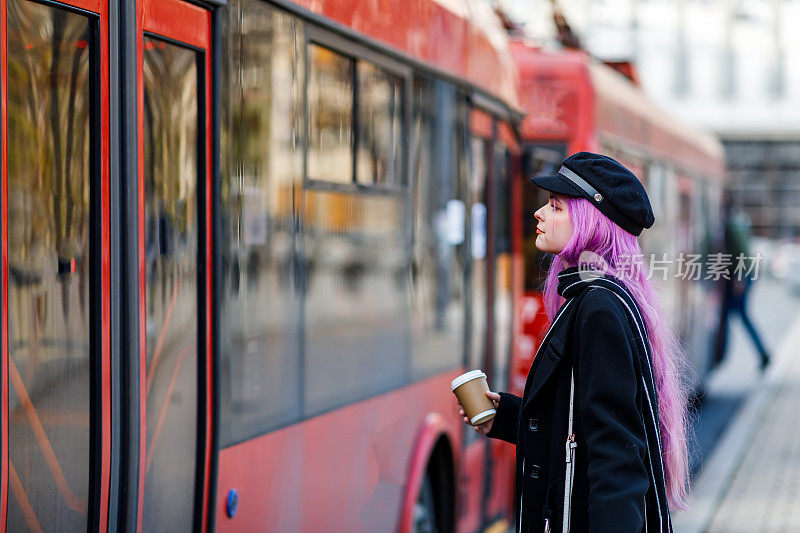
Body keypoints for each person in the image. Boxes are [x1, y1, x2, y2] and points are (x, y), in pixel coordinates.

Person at [456, 152, 689, 532]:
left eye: (556, 207)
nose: (540, 214)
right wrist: (509, 416)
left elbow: (615, 454)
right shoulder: (596, 297)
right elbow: (576, 423)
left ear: (590, 223)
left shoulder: (598, 308)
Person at [713, 194, 771, 371]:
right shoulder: (739, 220)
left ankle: (760, 353)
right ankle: (723, 351)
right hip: (741, 274)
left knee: (737, 314)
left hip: (739, 275)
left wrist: (739, 277)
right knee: (734, 314)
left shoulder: (732, 223)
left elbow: (740, 251)